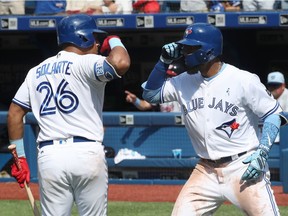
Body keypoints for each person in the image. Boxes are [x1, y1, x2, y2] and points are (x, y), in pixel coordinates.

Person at [142, 23, 288, 215]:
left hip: (242, 166)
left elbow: (273, 113)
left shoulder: (242, 79)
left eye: (190, 48)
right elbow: (150, 95)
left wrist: (262, 152)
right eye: (184, 47)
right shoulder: (183, 80)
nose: (184, 52)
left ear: (208, 51)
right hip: (205, 169)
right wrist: (162, 62)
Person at [8, 14, 130, 216]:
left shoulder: (35, 71)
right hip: (86, 152)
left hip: (50, 156)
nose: (99, 43)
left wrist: (20, 157)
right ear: (83, 37)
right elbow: (120, 62)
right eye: (96, 37)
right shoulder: (87, 62)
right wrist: (114, 40)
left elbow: (14, 113)